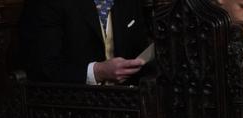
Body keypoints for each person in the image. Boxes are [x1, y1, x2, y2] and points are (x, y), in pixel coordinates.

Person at [19, 0, 149, 84]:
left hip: (128, 104)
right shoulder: (46, 4)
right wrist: (97, 72)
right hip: (73, 108)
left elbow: (140, 50)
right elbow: (43, 67)